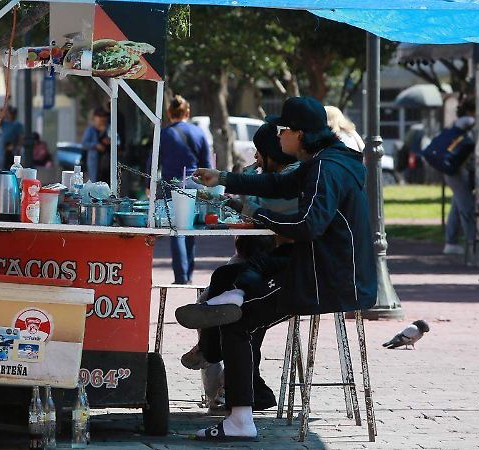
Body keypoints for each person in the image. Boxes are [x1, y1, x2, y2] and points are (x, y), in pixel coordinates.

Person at [178, 96, 377, 441]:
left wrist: (258, 215)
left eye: (282, 129)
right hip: (323, 269)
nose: (278, 136)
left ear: (299, 134)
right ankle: (233, 298)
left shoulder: (325, 169)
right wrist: (224, 178)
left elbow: (308, 223)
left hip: (324, 277)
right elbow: (279, 185)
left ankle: (239, 419)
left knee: (235, 322)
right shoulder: (327, 162)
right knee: (235, 290)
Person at [180, 123, 299, 414]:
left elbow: (269, 210)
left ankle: (213, 354)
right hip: (257, 259)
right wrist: (225, 198)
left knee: (238, 308)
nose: (256, 159)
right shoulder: (263, 175)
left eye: (260, 154)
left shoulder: (293, 177)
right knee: (222, 287)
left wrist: (235, 193)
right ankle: (238, 379)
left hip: (285, 266)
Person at [157, 96, 212, 285]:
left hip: (171, 186)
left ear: (169, 113)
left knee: (177, 231)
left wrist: (149, 187)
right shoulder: (198, 133)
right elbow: (207, 165)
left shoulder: (164, 134)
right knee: (190, 229)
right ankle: (188, 275)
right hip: (195, 185)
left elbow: (152, 161)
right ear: (187, 112)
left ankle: (181, 277)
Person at [442, 98, 477, 258]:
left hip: (452, 169)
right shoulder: (469, 122)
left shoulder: (458, 123)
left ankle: (451, 242)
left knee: (457, 206)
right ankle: (473, 244)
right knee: (467, 207)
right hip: (459, 170)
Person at [81, 107, 112, 183]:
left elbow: (117, 140)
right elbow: (84, 143)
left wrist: (109, 141)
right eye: (99, 118)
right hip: (95, 161)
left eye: (103, 118)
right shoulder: (91, 129)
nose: (101, 120)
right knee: (95, 182)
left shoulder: (109, 128)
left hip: (108, 161)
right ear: (95, 118)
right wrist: (96, 145)